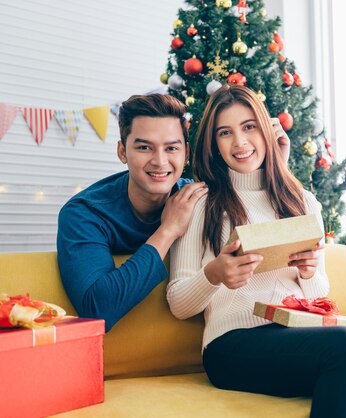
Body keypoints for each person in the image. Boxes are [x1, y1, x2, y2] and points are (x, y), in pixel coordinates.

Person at [166, 85, 346, 418]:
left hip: (297, 335)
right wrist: (214, 275)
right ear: (214, 143)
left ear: (267, 131)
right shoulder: (201, 203)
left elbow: (318, 289)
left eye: (249, 127)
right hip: (231, 346)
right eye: (226, 132)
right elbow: (179, 303)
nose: (239, 142)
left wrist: (309, 272)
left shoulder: (301, 201)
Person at [56, 93, 291, 332]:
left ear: (186, 153)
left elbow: (249, 202)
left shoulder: (198, 198)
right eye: (144, 147)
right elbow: (98, 309)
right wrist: (167, 231)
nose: (160, 161)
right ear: (122, 152)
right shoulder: (83, 213)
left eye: (171, 148)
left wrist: (278, 166)